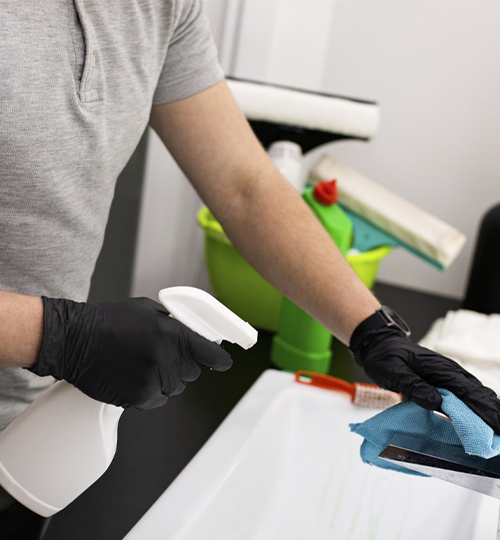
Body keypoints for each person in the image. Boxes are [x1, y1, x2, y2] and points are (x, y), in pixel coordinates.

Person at [1, 0, 500, 442]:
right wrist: (57, 335)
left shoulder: (161, 6)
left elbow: (245, 185)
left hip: (34, 427)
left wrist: (372, 331)